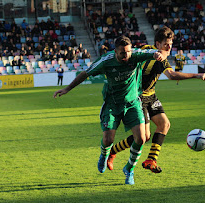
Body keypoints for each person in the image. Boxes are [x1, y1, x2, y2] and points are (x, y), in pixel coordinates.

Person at [53, 36, 167, 185]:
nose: (125, 56)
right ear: (115, 52)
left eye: (127, 52)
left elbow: (152, 53)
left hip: (133, 103)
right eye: (122, 53)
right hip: (112, 104)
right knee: (108, 140)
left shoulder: (135, 55)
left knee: (141, 138)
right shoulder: (106, 60)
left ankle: (129, 169)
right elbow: (85, 74)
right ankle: (104, 155)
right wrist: (67, 88)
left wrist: (157, 54)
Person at [107, 26, 205, 174]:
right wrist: (196, 75)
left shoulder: (155, 53)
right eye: (166, 43)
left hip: (151, 96)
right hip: (138, 98)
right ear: (157, 43)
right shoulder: (155, 56)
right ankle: (113, 151)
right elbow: (172, 75)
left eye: (171, 43)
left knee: (164, 124)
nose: (169, 46)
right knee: (144, 137)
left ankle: (151, 160)